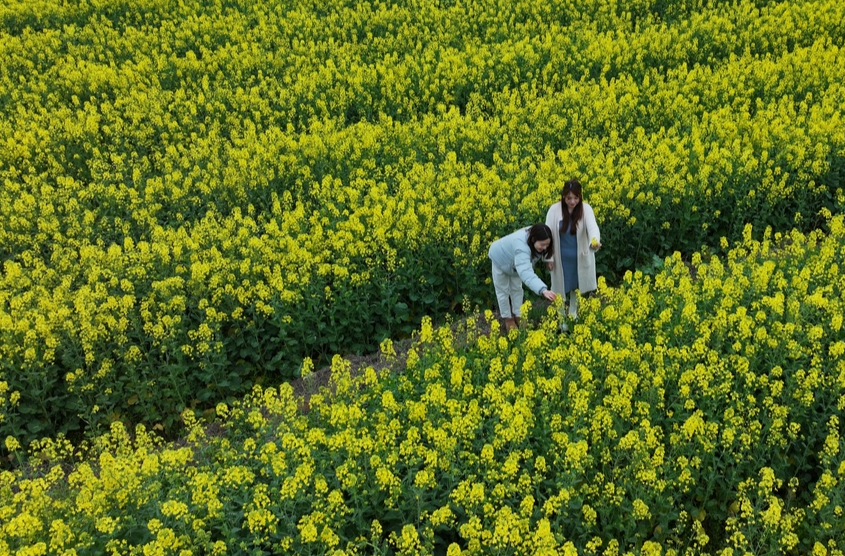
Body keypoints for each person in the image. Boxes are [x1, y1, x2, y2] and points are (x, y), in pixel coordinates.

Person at [545, 179, 601, 329]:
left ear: (580, 197)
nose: (572, 201)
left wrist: (594, 241)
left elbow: (592, 227)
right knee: (559, 288)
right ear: (563, 196)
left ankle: (573, 313)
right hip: (560, 259)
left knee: (576, 286)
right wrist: (548, 258)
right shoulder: (554, 210)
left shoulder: (586, 209)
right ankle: (562, 319)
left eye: (576, 198)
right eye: (569, 198)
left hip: (578, 258)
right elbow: (547, 234)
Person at [488, 223, 559, 331]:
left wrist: (548, 259)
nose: (545, 248)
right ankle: (508, 318)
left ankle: (518, 315)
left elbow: (541, 250)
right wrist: (543, 290)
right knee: (503, 291)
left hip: (515, 264)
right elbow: (526, 272)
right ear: (533, 239)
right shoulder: (521, 247)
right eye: (542, 244)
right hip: (500, 259)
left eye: (547, 245)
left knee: (517, 289)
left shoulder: (536, 236)